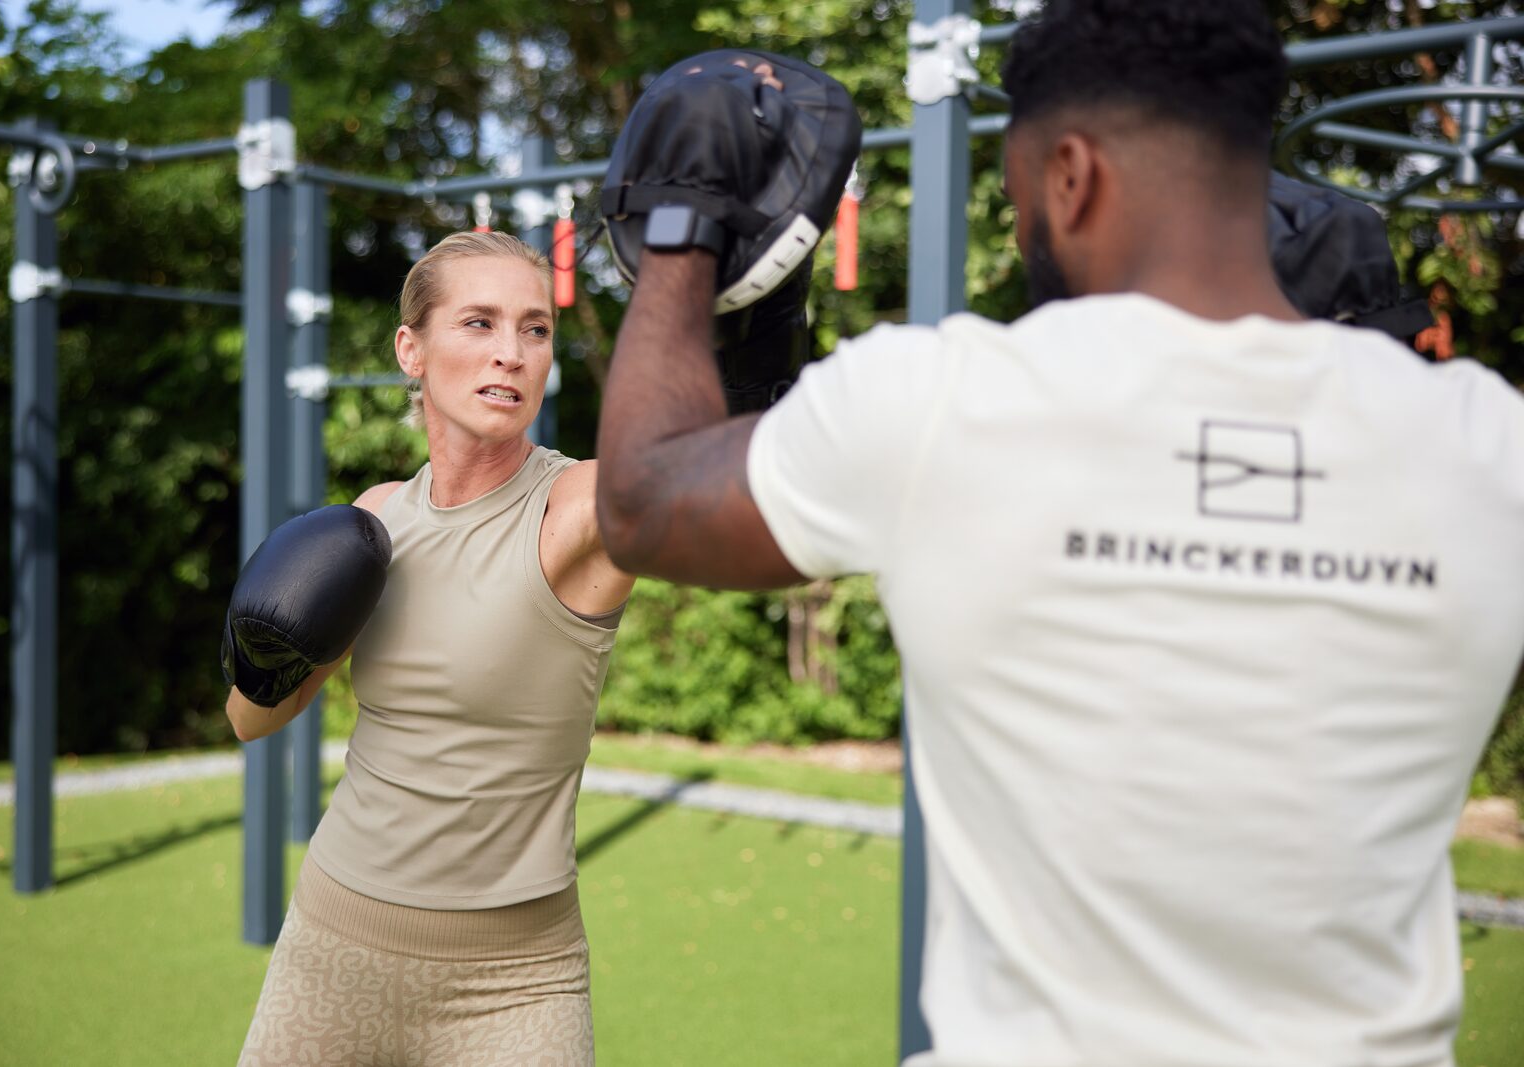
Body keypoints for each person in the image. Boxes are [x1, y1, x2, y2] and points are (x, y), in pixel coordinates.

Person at [593, 2, 1524, 1065]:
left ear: (1070, 175)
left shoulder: (942, 401)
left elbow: (641, 498)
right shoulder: (1485, 440)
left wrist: (687, 225)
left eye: (1018, 190)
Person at [224, 230, 634, 1067]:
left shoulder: (576, 510)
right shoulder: (371, 522)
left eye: (535, 329)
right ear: (412, 349)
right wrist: (261, 654)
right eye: (479, 323)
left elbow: (691, 472)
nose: (513, 354)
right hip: (334, 942)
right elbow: (250, 721)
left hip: (516, 981)